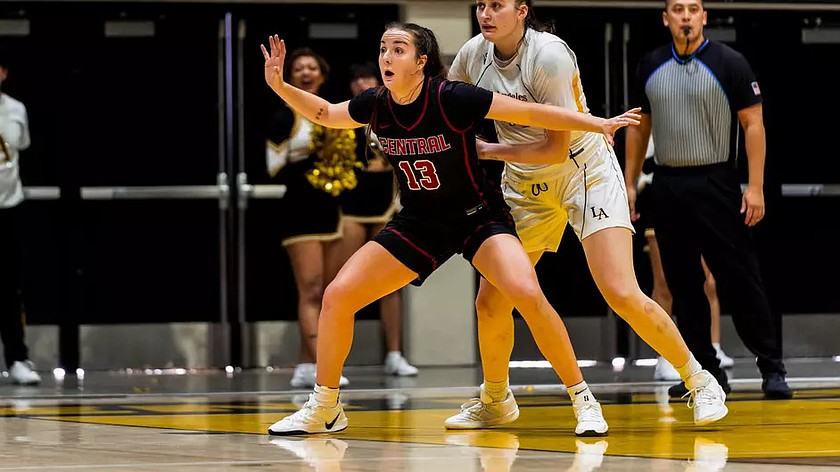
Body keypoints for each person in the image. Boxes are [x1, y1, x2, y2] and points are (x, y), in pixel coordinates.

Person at [259, 23, 663, 436]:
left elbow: (527, 113)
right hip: (420, 221)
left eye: (398, 49)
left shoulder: (450, 96)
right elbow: (326, 114)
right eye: (383, 49)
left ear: (421, 61)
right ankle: (325, 407)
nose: (386, 58)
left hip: (477, 216)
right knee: (338, 295)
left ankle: (583, 399)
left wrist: (594, 123)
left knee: (526, 293)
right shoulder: (375, 103)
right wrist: (280, 86)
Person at [444, 0, 728, 433]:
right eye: (481, 5)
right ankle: (495, 399)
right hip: (524, 183)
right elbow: (447, 108)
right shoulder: (472, 54)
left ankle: (700, 380)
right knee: (491, 300)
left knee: (620, 290)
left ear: (521, 11)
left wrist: (487, 151)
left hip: (583, 170)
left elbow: (555, 148)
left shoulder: (549, 56)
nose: (485, 13)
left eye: (496, 5)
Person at [623, 0, 792, 399]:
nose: (686, 16)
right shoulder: (650, 64)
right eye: (678, 9)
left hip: (717, 182)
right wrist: (629, 183)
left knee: (741, 279)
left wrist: (755, 186)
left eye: (693, 9)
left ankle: (772, 367)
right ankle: (706, 373)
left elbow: (753, 124)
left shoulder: (730, 62)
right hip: (667, 185)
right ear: (666, 18)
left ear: (703, 17)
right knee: (683, 285)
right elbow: (639, 127)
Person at [265, 47, 349, 389]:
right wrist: (309, 157)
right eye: (298, 68)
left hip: (331, 210)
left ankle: (305, 362)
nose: (305, 73)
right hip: (299, 210)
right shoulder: (283, 116)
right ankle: (321, 367)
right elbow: (272, 166)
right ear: (290, 76)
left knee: (328, 292)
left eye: (312, 67)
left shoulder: (333, 113)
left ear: (322, 75)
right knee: (311, 288)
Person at [334, 62, 418, 377]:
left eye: (366, 77)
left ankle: (394, 354)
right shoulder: (345, 117)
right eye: (356, 79)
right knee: (343, 283)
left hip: (385, 205)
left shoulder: (395, 114)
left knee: (390, 284)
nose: (361, 83)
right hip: (351, 207)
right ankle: (334, 359)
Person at [635, 137, 733, 381]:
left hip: (698, 192)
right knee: (664, 284)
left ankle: (712, 346)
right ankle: (666, 357)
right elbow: (638, 158)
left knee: (708, 281)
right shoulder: (651, 126)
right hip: (659, 194)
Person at [0, 51, 41, 385]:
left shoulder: (16, 109)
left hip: (9, 206)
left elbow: (21, 147)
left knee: (9, 288)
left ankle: (17, 358)